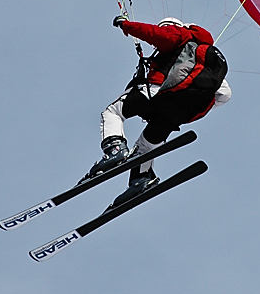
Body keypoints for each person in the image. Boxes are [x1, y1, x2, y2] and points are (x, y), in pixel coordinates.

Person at [86, 16, 231, 207]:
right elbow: (225, 94)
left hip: (157, 93)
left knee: (112, 112)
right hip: (178, 113)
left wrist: (127, 25)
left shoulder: (180, 34)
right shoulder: (206, 60)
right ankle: (141, 179)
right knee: (146, 147)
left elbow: (157, 35)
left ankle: (115, 150)